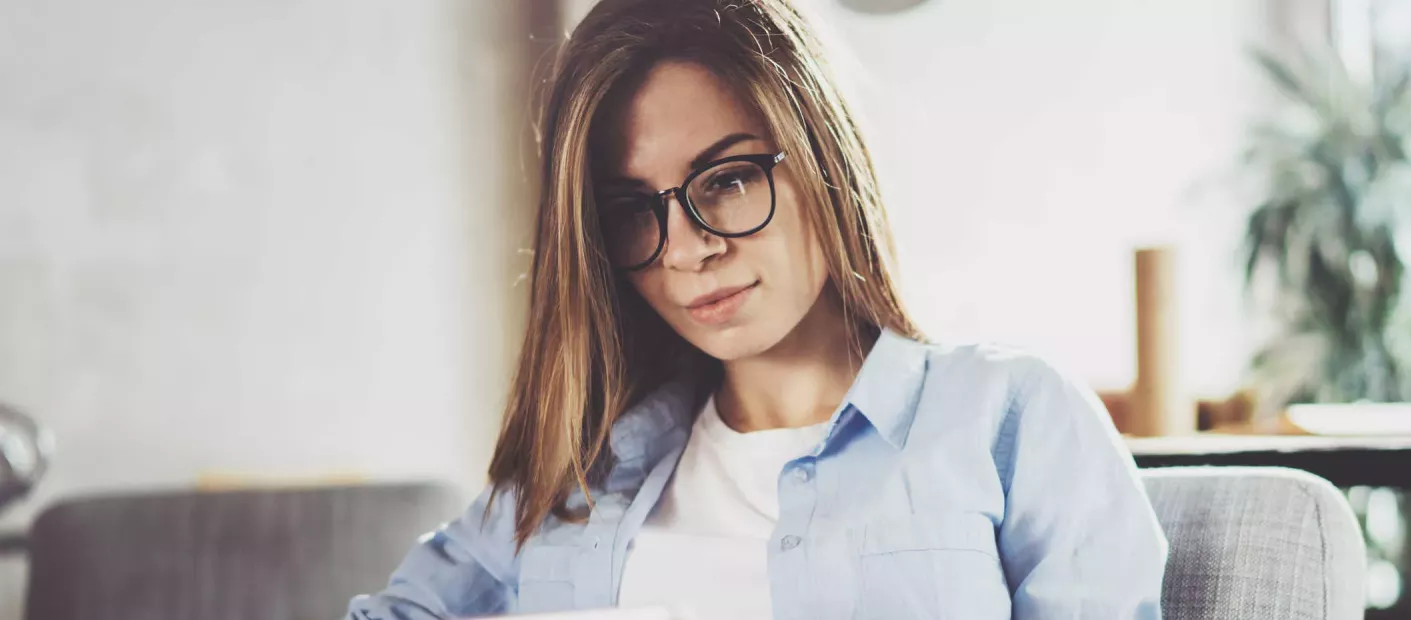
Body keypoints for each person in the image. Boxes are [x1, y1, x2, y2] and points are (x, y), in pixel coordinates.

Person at [344, 0, 1166, 617]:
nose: (684, 249)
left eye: (728, 180)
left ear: (819, 157)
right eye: (635, 209)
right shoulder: (580, 470)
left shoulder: (1008, 417)